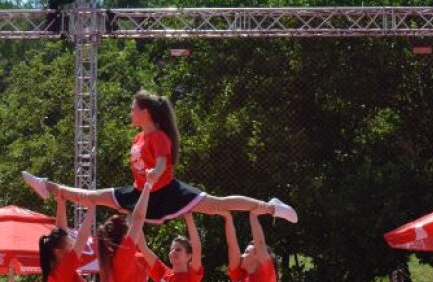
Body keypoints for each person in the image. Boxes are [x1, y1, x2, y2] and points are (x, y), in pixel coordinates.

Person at [22, 89, 298, 223]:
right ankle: (48, 187)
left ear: (146, 113)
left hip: (167, 193)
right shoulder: (139, 137)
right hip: (142, 193)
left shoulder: (159, 137)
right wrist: (147, 180)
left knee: (217, 205)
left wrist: (156, 172)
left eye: (133, 109)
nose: (130, 113)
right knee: (91, 197)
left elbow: (164, 162)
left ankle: (271, 207)